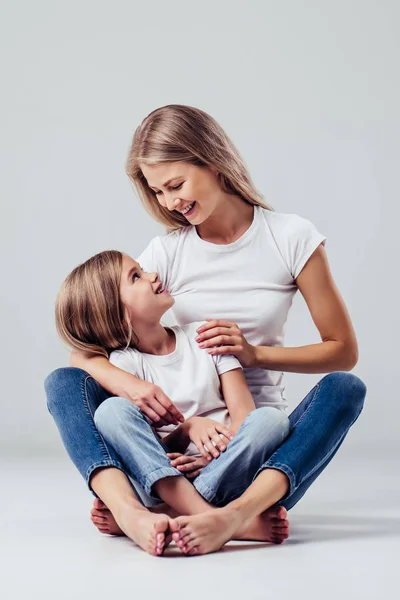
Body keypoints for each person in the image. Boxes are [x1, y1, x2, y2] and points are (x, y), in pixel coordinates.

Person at [45, 104, 366, 556]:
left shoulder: (290, 237)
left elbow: (342, 351)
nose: (170, 203)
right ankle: (135, 510)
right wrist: (134, 390)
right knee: (64, 383)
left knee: (344, 389)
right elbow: (90, 343)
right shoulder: (166, 253)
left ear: (212, 162)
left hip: (256, 450)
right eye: (157, 192)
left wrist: (255, 355)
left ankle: (225, 512)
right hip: (169, 450)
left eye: (175, 184)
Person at [55, 249, 290, 556]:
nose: (153, 276)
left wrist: (212, 458)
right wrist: (188, 428)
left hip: (224, 466)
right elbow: (144, 450)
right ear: (119, 312)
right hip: (165, 475)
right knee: (112, 412)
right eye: (136, 276)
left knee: (271, 421)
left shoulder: (205, 335)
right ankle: (221, 518)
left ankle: (172, 512)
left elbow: (245, 415)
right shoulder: (124, 366)